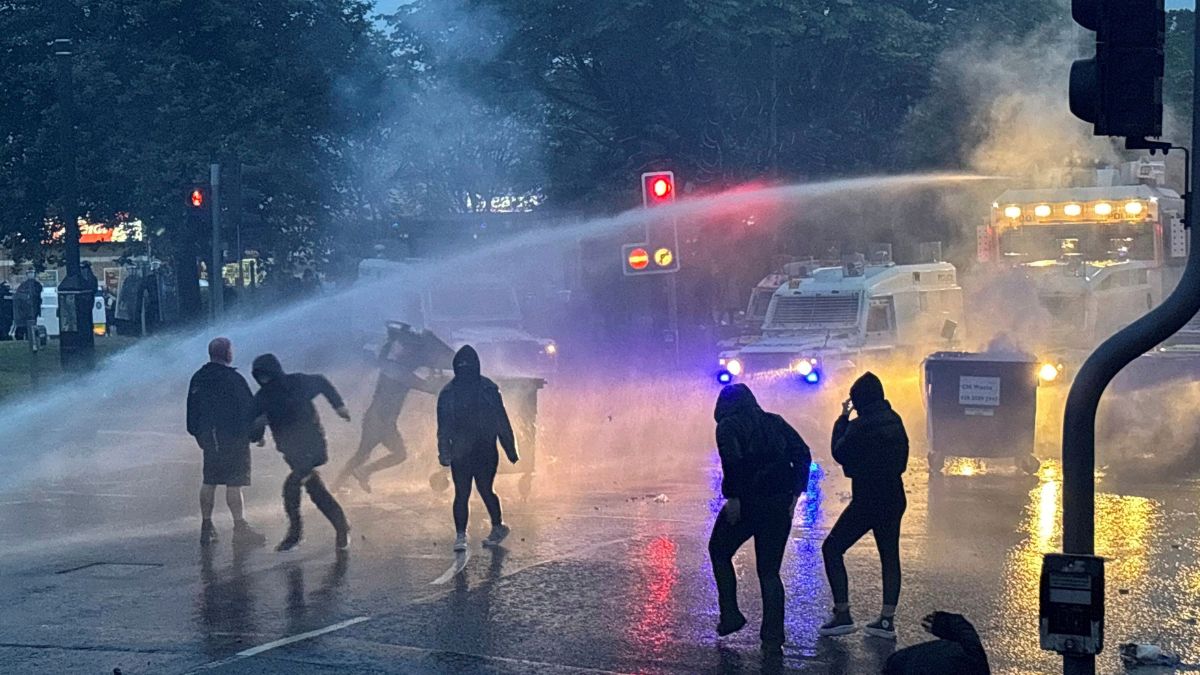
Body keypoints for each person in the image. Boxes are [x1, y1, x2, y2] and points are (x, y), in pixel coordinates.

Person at [708, 383, 811, 651]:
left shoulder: (728, 426)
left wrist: (733, 499)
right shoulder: (774, 421)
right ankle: (773, 636)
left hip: (749, 502)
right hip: (778, 503)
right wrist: (796, 493)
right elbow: (802, 452)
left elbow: (733, 463)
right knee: (769, 571)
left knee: (719, 550)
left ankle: (730, 614)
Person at [819, 371, 909, 640]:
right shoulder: (895, 420)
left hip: (867, 499)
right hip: (894, 496)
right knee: (889, 556)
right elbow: (902, 461)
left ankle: (842, 614)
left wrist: (842, 419)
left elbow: (839, 452)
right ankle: (886, 621)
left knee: (832, 548)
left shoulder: (860, 425)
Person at [249, 354, 352, 552]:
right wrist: (257, 433)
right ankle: (341, 527)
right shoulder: (263, 397)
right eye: (260, 377)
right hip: (292, 453)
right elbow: (253, 420)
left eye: (267, 376)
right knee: (315, 491)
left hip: (313, 446)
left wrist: (339, 406)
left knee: (292, 486)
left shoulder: (296, 383)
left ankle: (295, 533)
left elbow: (322, 382)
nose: (265, 381)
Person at [334, 333, 440, 493]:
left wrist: (390, 341)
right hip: (380, 421)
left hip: (379, 420)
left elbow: (384, 359)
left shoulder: (392, 366)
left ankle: (340, 483)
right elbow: (427, 387)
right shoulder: (399, 372)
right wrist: (437, 380)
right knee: (396, 455)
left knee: (363, 454)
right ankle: (357, 475)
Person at [186, 338, 267, 547]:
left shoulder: (198, 377)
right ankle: (240, 527)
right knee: (234, 483)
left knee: (209, 481)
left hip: (210, 438)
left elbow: (192, 411)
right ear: (226, 354)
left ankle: (206, 527)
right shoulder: (233, 379)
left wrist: (199, 436)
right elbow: (250, 410)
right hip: (234, 438)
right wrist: (257, 434)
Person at [436, 345, 518, 551]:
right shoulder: (449, 393)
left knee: (484, 489)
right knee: (462, 492)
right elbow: (443, 426)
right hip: (461, 451)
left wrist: (510, 448)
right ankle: (461, 535)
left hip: (485, 449)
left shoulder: (487, 389)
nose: (465, 371)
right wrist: (444, 451)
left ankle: (497, 527)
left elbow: (501, 420)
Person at [883, 611, 990, 674]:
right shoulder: (976, 661)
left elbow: (965, 631)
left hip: (902, 663)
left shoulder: (978, 662)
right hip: (903, 665)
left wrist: (940, 621)